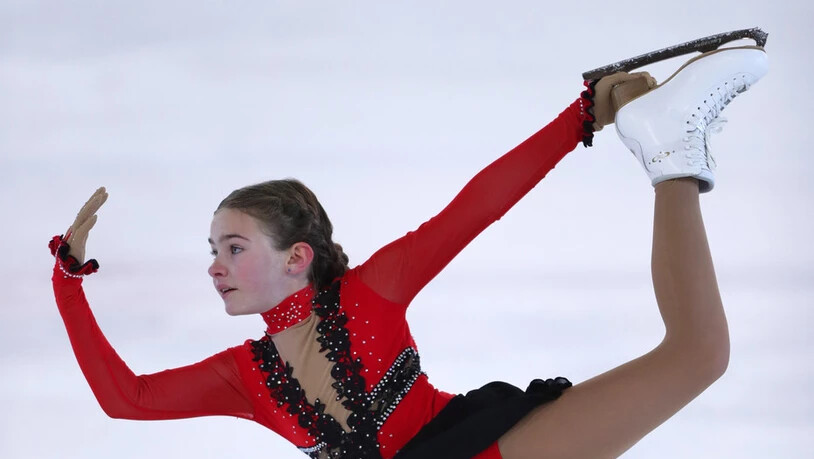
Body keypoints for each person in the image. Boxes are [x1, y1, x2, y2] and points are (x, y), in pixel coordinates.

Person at [50, 45, 767, 459]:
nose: (214, 265)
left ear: (296, 256)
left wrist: (580, 116)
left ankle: (672, 147)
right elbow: (127, 398)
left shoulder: (370, 293)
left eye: (233, 247)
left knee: (699, 353)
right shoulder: (243, 374)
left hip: (493, 451)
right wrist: (69, 278)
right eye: (212, 249)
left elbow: (475, 206)